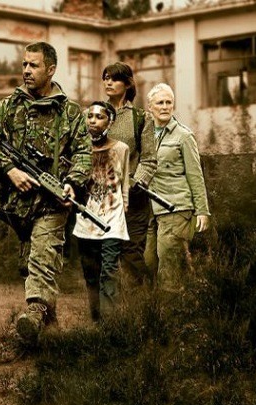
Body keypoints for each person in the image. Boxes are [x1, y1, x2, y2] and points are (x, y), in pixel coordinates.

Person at [0, 41, 92, 345]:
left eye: (34, 65)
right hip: (19, 205)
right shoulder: (9, 107)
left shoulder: (69, 112)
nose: (26, 70)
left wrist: (72, 183)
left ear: (51, 69)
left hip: (53, 203)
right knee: (32, 263)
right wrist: (10, 170)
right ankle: (50, 335)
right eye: (24, 64)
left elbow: (83, 153)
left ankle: (34, 311)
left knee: (43, 253)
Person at [143, 83, 211, 292]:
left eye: (169, 102)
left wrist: (202, 210)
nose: (165, 107)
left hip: (176, 207)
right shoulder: (144, 134)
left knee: (169, 267)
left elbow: (195, 175)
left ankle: (170, 316)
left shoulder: (183, 135)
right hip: (151, 209)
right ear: (150, 107)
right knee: (148, 261)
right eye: (160, 103)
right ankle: (192, 296)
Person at [72, 102, 130, 321]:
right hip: (86, 221)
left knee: (109, 272)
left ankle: (111, 325)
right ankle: (96, 322)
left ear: (110, 121)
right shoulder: (80, 150)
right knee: (91, 274)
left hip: (112, 221)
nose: (93, 121)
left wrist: (124, 205)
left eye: (99, 117)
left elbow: (124, 182)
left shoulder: (121, 149)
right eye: (90, 117)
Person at [101, 62, 157, 287]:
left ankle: (147, 302)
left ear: (127, 84)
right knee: (107, 254)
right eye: (105, 78)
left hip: (134, 197)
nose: (108, 82)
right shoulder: (94, 115)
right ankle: (112, 311)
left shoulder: (141, 118)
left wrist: (135, 182)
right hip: (104, 196)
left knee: (132, 251)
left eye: (114, 78)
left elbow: (150, 160)